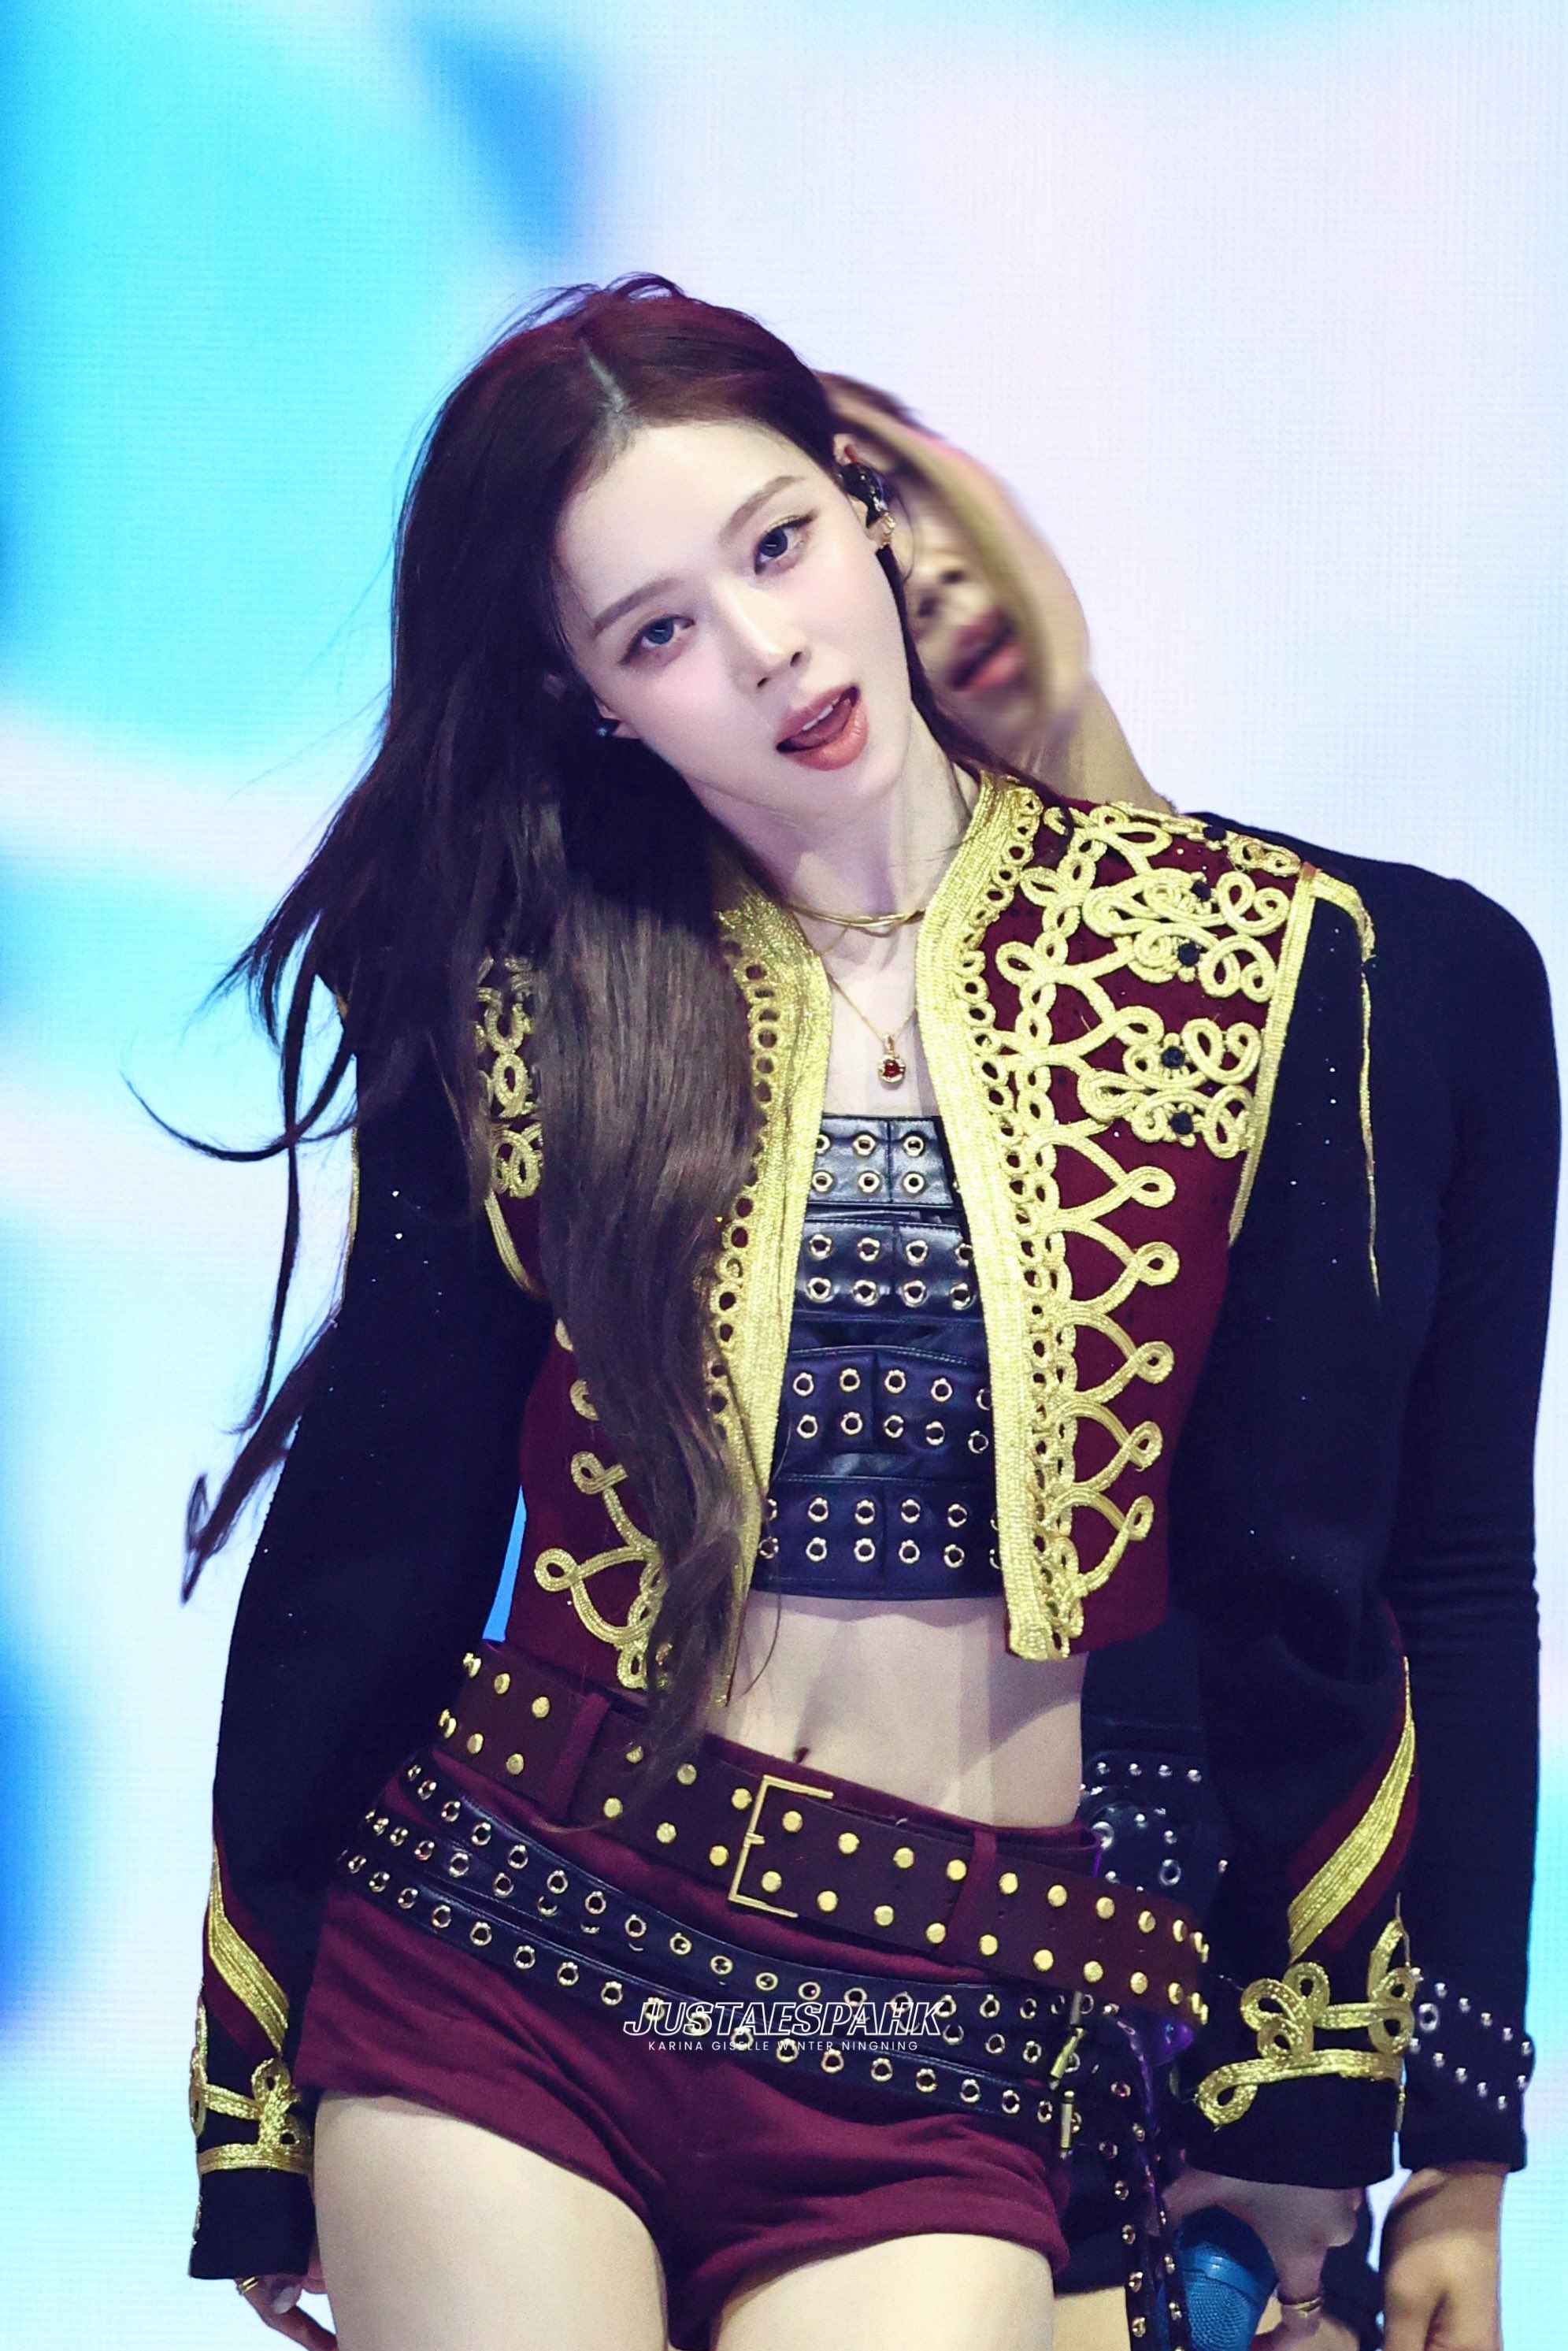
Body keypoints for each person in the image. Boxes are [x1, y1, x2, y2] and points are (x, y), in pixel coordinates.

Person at [187, 277, 1456, 2351]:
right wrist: (254, 2084)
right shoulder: (526, 984)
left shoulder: (1247, 963)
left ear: (862, 503)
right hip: (515, 1943)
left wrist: (1303, 2076)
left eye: (775, 543)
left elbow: (1297, 1576)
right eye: (658, 631)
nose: (764, 647)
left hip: (944, 2018)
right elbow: (374, 1535)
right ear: (594, 697)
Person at [821, 371, 1555, 2351]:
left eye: (890, 484)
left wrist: (1461, 2158)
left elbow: (1463, 1575)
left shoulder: (1435, 972)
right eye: (844, 559)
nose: (917, 576)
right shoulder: (837, 1064)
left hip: (1282, 2055)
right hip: (910, 2011)